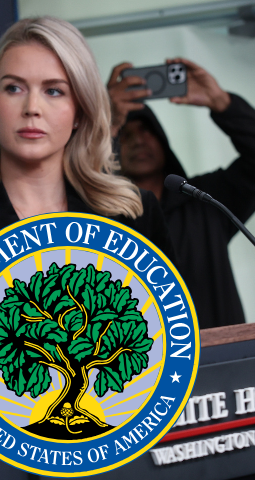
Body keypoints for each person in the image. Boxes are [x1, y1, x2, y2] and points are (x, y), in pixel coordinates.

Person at [0, 17, 176, 375]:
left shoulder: (133, 215)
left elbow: (173, 351)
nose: (32, 107)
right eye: (14, 88)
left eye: (54, 90)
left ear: (80, 110)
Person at [107, 59, 255, 329]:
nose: (138, 140)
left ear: (163, 140)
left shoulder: (206, 199)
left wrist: (221, 102)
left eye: (145, 130)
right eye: (125, 135)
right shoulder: (101, 219)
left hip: (226, 359)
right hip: (145, 366)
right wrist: (106, 123)